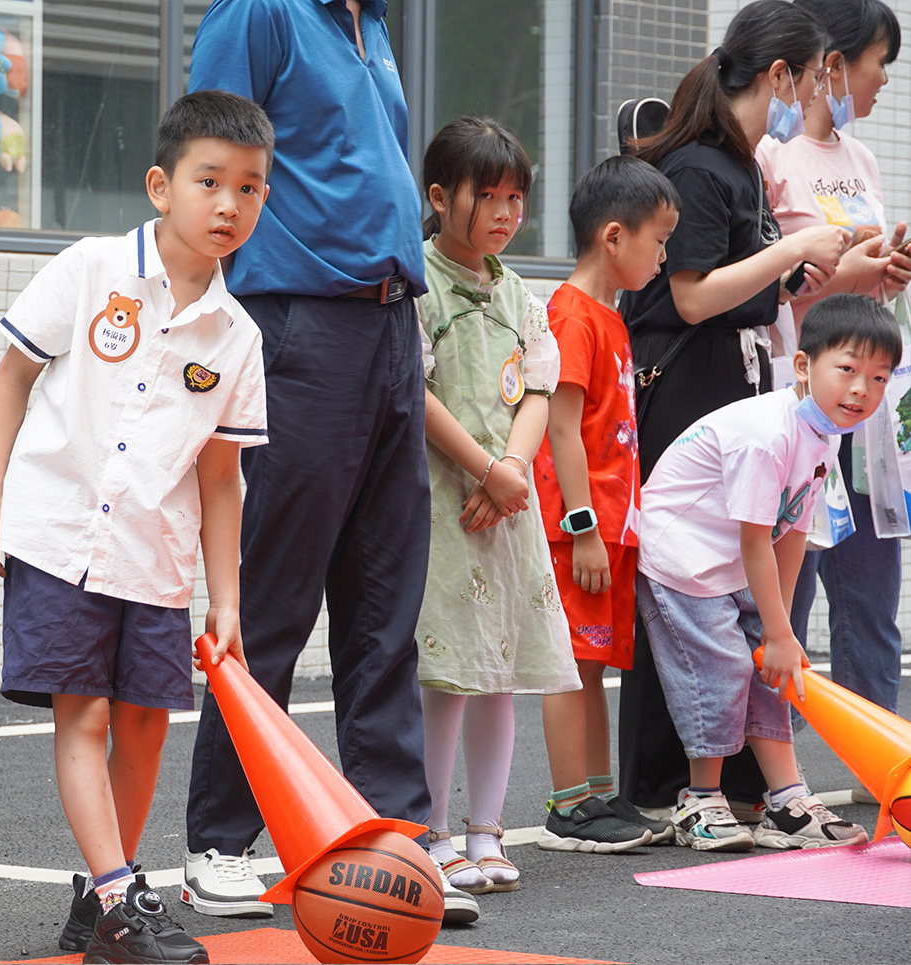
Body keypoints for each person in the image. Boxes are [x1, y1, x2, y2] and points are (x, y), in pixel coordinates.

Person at [0, 88, 271, 964]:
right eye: (209, 181)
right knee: (87, 713)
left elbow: (222, 477)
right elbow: (11, 378)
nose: (228, 203)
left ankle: (102, 898)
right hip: (59, 530)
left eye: (249, 187)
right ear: (160, 185)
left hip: (154, 554)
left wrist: (227, 601)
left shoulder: (238, 335)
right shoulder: (92, 267)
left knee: (144, 723)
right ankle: (118, 896)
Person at [181, 0, 445, 923]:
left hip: (391, 324)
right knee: (275, 595)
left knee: (387, 605)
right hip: (299, 321)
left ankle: (394, 840)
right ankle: (221, 839)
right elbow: (206, 158)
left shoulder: (374, 27)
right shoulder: (263, 12)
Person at [617, 0, 848, 819]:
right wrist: (791, 250)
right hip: (686, 383)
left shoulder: (741, 165)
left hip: (734, 378)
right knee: (683, 582)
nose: (818, 94)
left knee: (734, 588)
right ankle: (668, 787)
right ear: (779, 74)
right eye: (814, 77)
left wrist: (802, 271)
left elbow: (743, 286)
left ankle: (743, 785)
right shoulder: (699, 166)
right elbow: (689, 296)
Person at [636, 293, 887, 852]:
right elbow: (756, 538)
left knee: (779, 669)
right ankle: (700, 801)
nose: (861, 390)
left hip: (730, 559)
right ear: (803, 365)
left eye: (877, 378)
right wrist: (774, 631)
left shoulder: (822, 434)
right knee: (721, 666)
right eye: (848, 369)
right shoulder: (767, 434)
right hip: (682, 556)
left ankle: (787, 800)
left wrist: (783, 631)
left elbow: (791, 532)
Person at [411, 116, 586, 897]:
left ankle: (486, 830)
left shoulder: (519, 292)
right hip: (442, 507)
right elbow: (412, 391)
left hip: (505, 511)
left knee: (497, 674)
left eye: (516, 198)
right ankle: (432, 834)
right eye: (490, 197)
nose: (507, 213)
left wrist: (511, 469)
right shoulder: (417, 282)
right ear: (440, 197)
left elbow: (539, 389)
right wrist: (487, 469)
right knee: (444, 675)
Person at [761, 0, 909, 795]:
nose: (884, 79)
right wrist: (852, 269)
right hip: (803, 399)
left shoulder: (862, 157)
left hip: (869, 405)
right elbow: (775, 286)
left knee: (872, 588)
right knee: (791, 585)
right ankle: (773, 776)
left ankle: (881, 765)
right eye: (880, 61)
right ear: (833, 64)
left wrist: (886, 270)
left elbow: (853, 273)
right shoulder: (772, 156)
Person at [534, 155, 683, 853]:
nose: (664, 257)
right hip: (581, 526)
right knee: (572, 660)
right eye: (660, 241)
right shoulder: (572, 315)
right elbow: (560, 428)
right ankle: (570, 806)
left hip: (610, 525)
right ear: (614, 236)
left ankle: (595, 794)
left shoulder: (610, 318)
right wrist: (583, 525)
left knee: (592, 661)